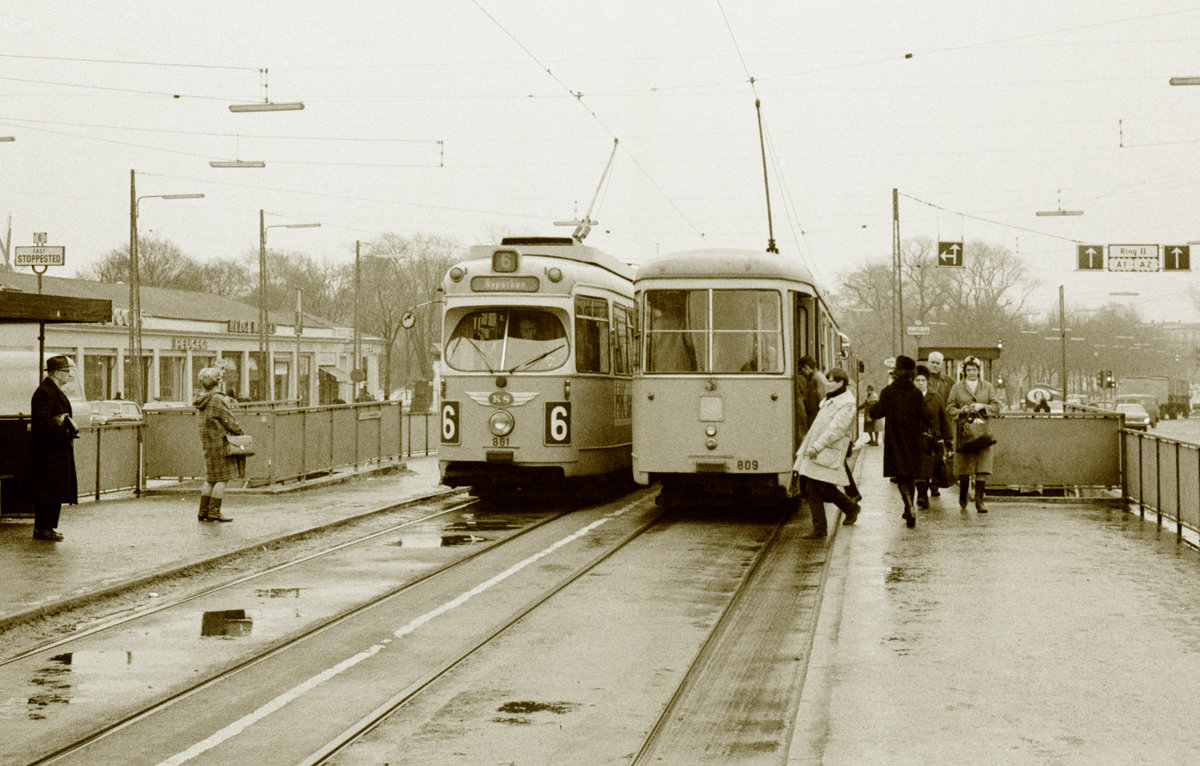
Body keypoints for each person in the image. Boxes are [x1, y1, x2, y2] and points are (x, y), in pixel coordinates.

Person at [794, 367, 860, 536]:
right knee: (814, 488)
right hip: (817, 449)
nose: (828, 383)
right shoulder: (830, 399)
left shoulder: (846, 404)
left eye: (832, 381)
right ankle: (822, 526)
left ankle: (849, 509)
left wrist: (817, 446)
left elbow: (835, 429)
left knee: (821, 487)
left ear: (841, 383)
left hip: (826, 450)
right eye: (828, 380)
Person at [869, 355, 931, 528]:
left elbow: (876, 413)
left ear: (896, 371)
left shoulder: (888, 392)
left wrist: (872, 405)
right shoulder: (916, 393)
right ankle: (908, 507)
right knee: (910, 474)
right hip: (914, 440)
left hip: (895, 440)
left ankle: (909, 506)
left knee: (900, 475)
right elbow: (927, 417)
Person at [25, 355, 80, 541]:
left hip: (55, 451)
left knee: (53, 490)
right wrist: (61, 426)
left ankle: (48, 527)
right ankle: (43, 528)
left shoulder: (51, 390)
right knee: (48, 491)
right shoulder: (45, 392)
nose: (69, 375)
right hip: (48, 453)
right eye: (66, 371)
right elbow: (42, 421)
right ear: (57, 373)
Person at [946, 355, 1002, 513]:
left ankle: (979, 501)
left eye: (974, 370)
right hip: (964, 432)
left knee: (982, 466)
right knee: (964, 466)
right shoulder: (957, 387)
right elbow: (949, 408)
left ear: (979, 371)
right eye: (968, 370)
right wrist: (962, 411)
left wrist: (982, 407)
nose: (971, 373)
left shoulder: (988, 387)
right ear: (964, 371)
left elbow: (996, 407)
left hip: (982, 432)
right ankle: (963, 495)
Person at [194, 366, 245, 522]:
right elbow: (230, 421)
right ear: (217, 382)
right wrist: (240, 434)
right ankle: (215, 512)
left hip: (208, 443)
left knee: (210, 478)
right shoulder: (217, 399)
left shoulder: (203, 399)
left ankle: (203, 511)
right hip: (220, 443)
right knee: (222, 479)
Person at [914, 365, 952, 509]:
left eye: (923, 380)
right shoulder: (909, 397)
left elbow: (944, 418)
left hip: (933, 440)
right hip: (915, 439)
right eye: (917, 380)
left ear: (927, 382)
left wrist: (948, 439)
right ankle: (922, 496)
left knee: (931, 468)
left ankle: (931, 487)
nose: (920, 383)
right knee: (919, 469)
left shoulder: (935, 397)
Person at [796, 355, 828, 440]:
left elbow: (823, 402)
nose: (802, 374)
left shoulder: (817, 379)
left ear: (806, 367)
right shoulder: (815, 378)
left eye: (801, 370)